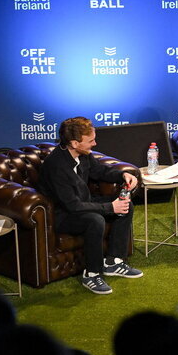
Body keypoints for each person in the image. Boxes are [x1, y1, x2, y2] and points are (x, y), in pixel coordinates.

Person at [39, 116, 142, 294]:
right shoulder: (56, 166)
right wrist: (110, 207)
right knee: (95, 220)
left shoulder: (83, 154)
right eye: (90, 141)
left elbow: (99, 170)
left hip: (83, 202)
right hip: (61, 214)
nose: (94, 144)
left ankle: (113, 262)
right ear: (74, 143)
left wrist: (122, 175)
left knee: (126, 205)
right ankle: (92, 274)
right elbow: (73, 206)